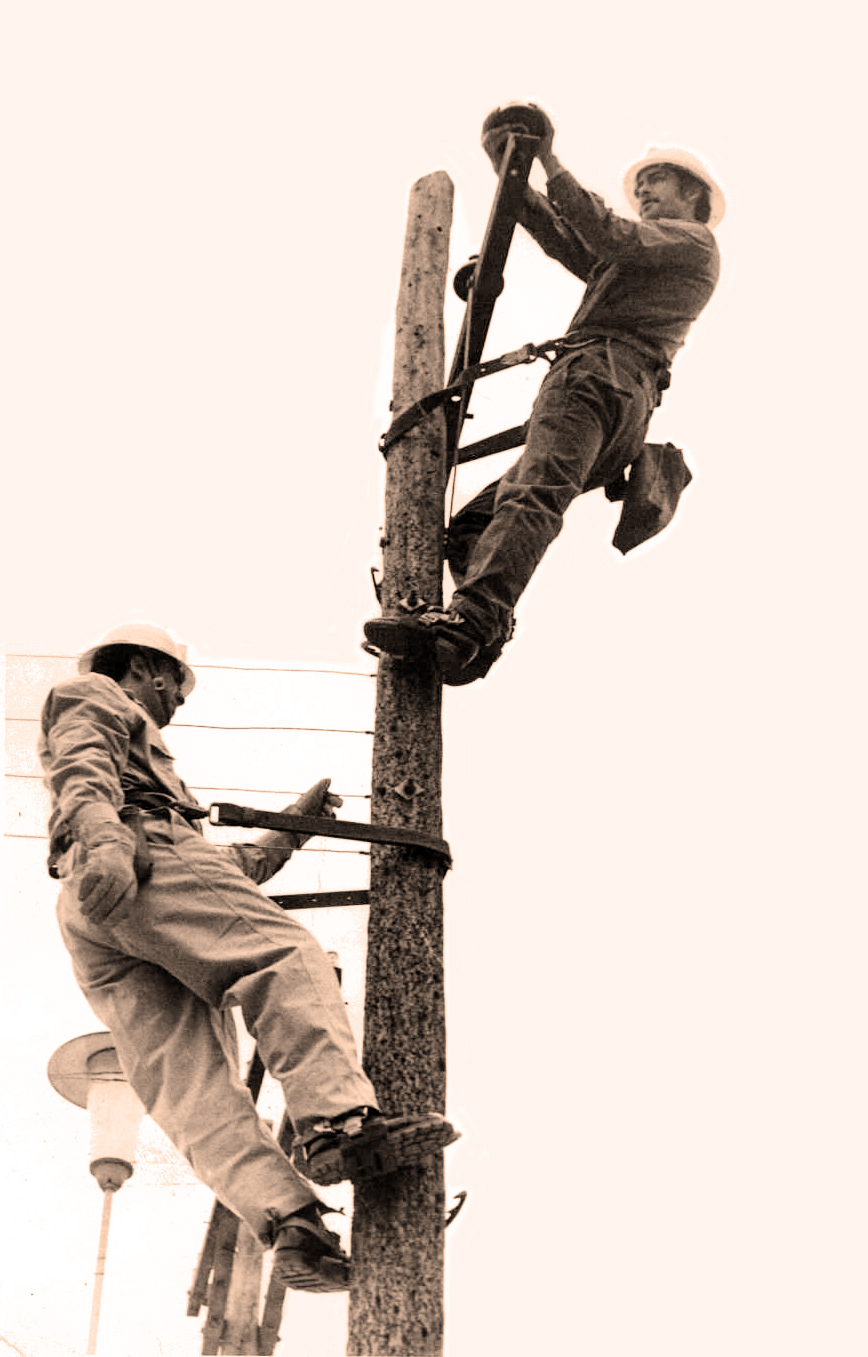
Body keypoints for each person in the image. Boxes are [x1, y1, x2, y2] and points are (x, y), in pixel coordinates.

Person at [39, 623, 458, 1293]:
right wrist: (107, 841)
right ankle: (338, 1121)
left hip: (97, 902)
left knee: (190, 1081)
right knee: (284, 955)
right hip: (126, 854)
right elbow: (81, 771)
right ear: (147, 666)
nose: (176, 698)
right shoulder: (95, 694)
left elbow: (217, 873)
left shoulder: (152, 788)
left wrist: (296, 825)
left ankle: (293, 1223)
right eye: (175, 681)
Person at [364, 105, 725, 684]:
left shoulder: (691, 243)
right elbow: (569, 240)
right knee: (475, 527)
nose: (646, 193)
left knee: (532, 494)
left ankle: (466, 625)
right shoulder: (643, 262)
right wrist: (512, 170)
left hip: (602, 375)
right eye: (643, 186)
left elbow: (606, 231)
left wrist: (549, 158)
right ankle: (484, 631)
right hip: (609, 387)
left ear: (693, 195)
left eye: (657, 182)